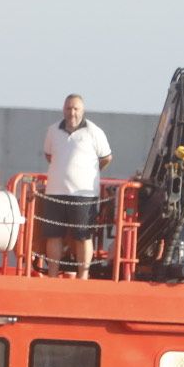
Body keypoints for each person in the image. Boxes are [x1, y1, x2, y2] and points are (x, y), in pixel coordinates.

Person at [41, 93, 112, 276]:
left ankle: (83, 276)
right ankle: (52, 274)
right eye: (68, 108)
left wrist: (88, 174)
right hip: (55, 191)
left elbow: (106, 158)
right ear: (63, 109)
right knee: (53, 235)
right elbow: (49, 155)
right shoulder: (52, 130)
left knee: (83, 236)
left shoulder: (94, 132)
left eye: (75, 108)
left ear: (82, 110)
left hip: (84, 195)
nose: (72, 112)